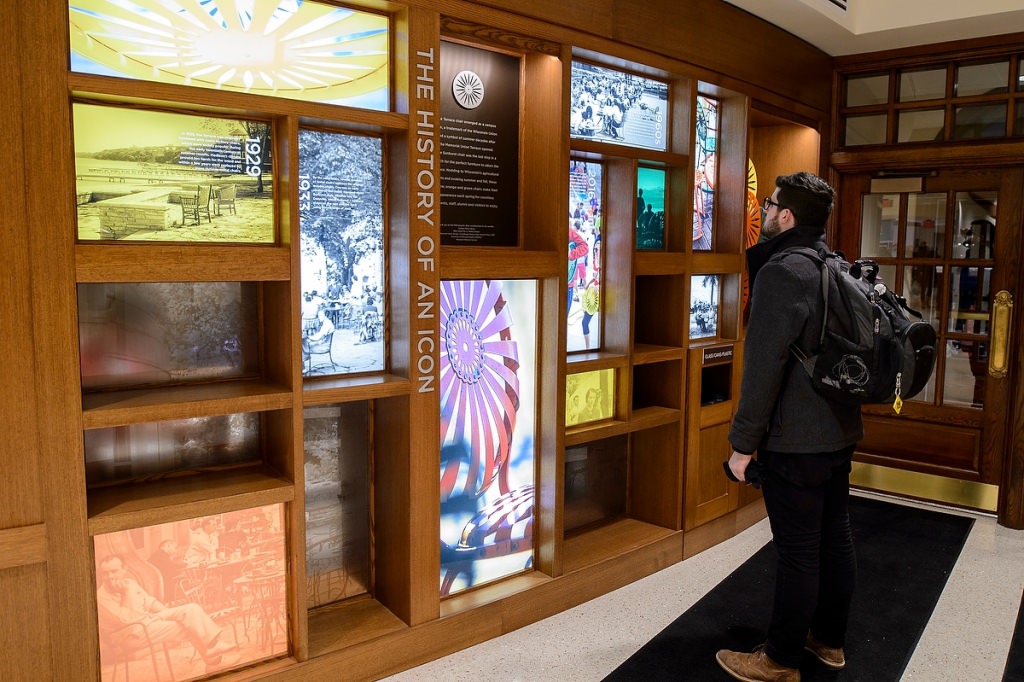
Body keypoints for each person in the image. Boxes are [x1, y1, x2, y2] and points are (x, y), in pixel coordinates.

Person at [717, 172, 862, 682]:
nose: (765, 212)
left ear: (786, 216)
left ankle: (779, 660)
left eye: (771, 204)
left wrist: (742, 446)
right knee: (833, 537)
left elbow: (763, 368)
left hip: (797, 441)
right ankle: (828, 641)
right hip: (839, 432)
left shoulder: (784, 272)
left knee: (799, 550)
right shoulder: (834, 264)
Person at [96, 554, 237, 672]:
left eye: (114, 571)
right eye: (105, 573)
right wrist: (125, 594)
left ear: (124, 569)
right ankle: (213, 663)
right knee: (185, 626)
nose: (109, 576)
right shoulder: (101, 597)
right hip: (130, 635)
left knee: (191, 610)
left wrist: (169, 613)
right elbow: (126, 620)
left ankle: (212, 646)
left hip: (148, 622)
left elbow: (150, 602)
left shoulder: (130, 583)